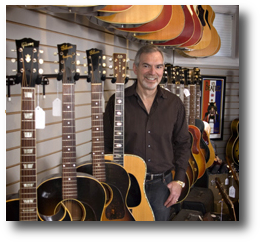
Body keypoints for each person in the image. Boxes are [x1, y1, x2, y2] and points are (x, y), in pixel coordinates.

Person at [104, 45, 191, 221]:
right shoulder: (117, 102)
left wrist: (179, 180)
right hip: (125, 184)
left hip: (162, 186)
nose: (152, 72)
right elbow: (106, 144)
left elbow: (183, 143)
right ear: (135, 68)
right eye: (146, 65)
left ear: (163, 69)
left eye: (158, 66)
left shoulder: (174, 104)